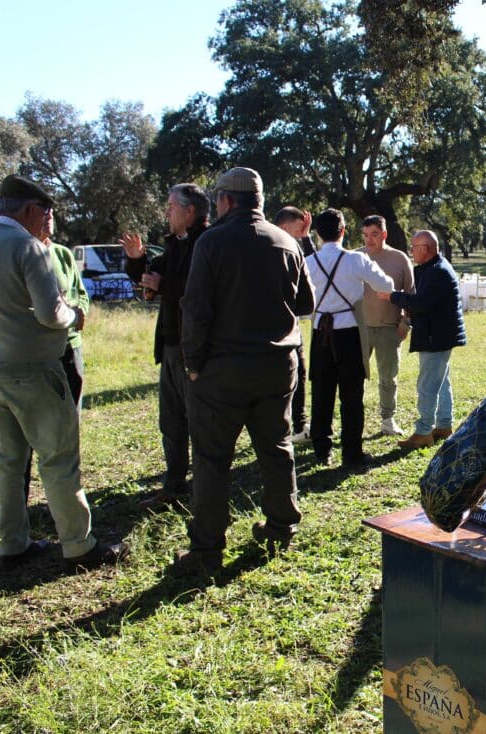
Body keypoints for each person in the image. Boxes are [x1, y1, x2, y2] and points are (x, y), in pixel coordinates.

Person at [0, 175, 123, 571]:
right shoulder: (29, 247)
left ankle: (13, 543)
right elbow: (50, 313)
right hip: (34, 370)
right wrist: (76, 316)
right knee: (58, 459)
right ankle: (79, 545)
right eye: (45, 212)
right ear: (28, 210)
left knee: (9, 460)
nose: (47, 220)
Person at [176, 167, 315, 575]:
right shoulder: (287, 241)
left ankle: (207, 549)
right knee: (277, 448)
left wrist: (193, 364)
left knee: (211, 458)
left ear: (225, 201)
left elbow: (196, 308)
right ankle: (281, 526)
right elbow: (305, 303)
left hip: (222, 370)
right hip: (277, 366)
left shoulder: (211, 242)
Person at [121, 183, 210, 511]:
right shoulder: (174, 245)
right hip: (171, 346)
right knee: (171, 423)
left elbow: (204, 291)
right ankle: (174, 486)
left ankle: (204, 490)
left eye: (171, 206)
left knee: (199, 423)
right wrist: (137, 261)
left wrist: (165, 285)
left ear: (189, 211)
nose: (166, 212)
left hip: (196, 349)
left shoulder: (208, 243)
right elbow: (150, 278)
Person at [306, 209, 394, 467]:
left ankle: (322, 451)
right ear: (344, 231)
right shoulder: (356, 260)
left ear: (318, 233)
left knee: (321, 394)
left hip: (320, 331)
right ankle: (351, 452)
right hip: (350, 333)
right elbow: (386, 285)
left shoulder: (308, 262)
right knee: (352, 396)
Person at [22, 207, 90, 503]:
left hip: (69, 346)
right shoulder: (23, 250)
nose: (50, 218)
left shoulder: (62, 253)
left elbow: (81, 293)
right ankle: (20, 496)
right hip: (35, 351)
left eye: (52, 213)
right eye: (43, 213)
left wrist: (77, 310)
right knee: (27, 430)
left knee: (68, 423)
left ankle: (64, 497)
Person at [379, 230, 466, 449]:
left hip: (435, 337)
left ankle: (424, 431)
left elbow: (421, 304)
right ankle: (444, 425)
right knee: (441, 381)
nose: (411, 251)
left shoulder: (437, 272)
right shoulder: (433, 268)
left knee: (427, 385)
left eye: (414, 247)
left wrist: (392, 297)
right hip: (438, 335)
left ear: (425, 249)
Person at [356, 215, 414, 437]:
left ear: (384, 234)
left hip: (390, 328)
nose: (369, 240)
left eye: (374, 235)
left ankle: (388, 419)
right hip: (359, 328)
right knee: (355, 375)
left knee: (388, 377)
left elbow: (411, 295)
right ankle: (355, 418)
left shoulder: (399, 259)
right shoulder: (355, 257)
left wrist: (405, 324)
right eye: (366, 235)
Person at [274, 206, 317, 443]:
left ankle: (300, 425)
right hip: (273, 327)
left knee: (299, 374)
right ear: (283, 227)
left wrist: (306, 238)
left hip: (293, 326)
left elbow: (314, 265)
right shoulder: (273, 248)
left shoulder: (293, 247)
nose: (300, 234)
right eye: (297, 229)